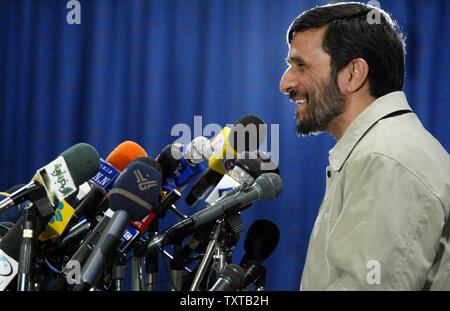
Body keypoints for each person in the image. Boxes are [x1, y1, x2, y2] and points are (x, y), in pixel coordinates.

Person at [279, 2, 450, 290]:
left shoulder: (385, 159)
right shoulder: (379, 150)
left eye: (301, 65)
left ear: (353, 74)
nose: (286, 83)